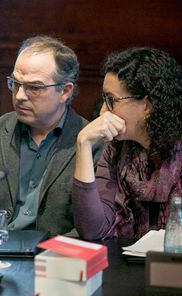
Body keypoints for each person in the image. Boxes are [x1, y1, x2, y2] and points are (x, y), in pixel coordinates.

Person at [0, 35, 101, 237]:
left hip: (54, 261)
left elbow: (93, 226)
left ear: (64, 91)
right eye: (15, 83)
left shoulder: (92, 143)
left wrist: (45, 255)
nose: (20, 95)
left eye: (34, 87)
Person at [73, 47, 182, 241]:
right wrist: (84, 144)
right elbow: (92, 230)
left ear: (147, 106)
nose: (102, 112)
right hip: (129, 266)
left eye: (111, 100)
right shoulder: (116, 149)